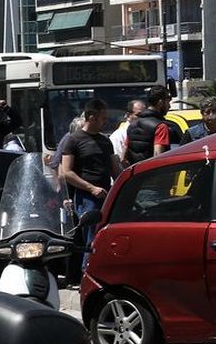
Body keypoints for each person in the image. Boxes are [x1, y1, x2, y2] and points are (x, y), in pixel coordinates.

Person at [60, 99, 122, 270]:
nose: (106, 121)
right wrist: (91, 188)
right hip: (86, 198)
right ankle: (87, 272)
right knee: (92, 238)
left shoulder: (105, 141)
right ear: (92, 118)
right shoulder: (73, 140)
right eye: (103, 118)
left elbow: (115, 170)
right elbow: (67, 172)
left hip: (106, 195)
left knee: (105, 236)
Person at [124, 85, 171, 164]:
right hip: (152, 174)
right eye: (168, 102)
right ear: (160, 103)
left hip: (135, 174)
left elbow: (123, 157)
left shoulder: (131, 125)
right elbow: (158, 157)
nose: (169, 106)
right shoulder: (160, 127)